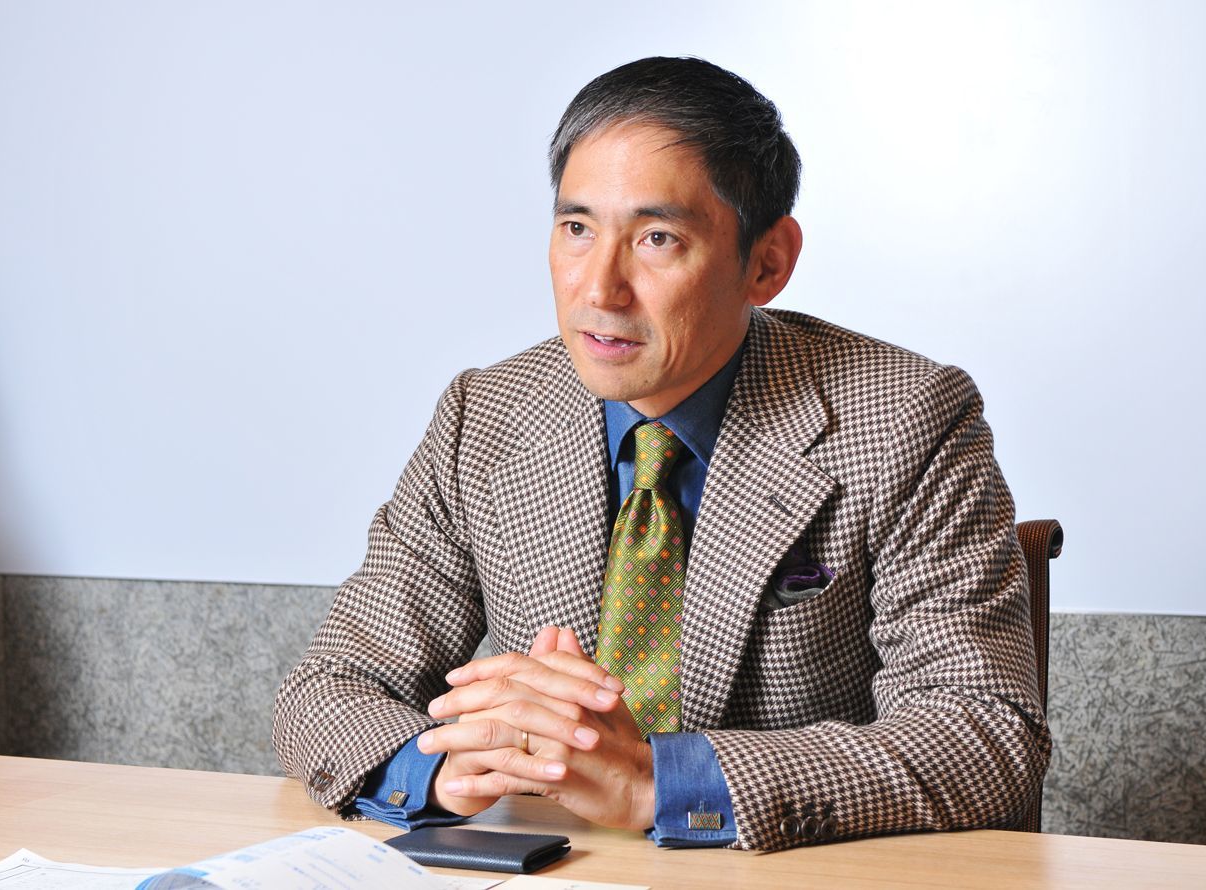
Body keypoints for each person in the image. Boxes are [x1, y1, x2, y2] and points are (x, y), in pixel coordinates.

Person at [273, 56, 1050, 852]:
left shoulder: (906, 418)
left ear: (767, 262)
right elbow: (327, 687)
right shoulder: (486, 416)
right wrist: (439, 766)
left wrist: (657, 782)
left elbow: (984, 732)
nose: (599, 289)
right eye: (577, 229)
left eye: (657, 238)